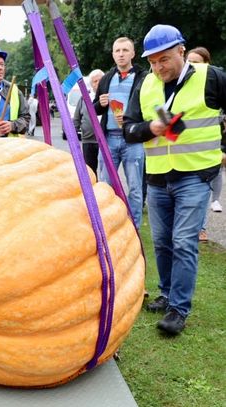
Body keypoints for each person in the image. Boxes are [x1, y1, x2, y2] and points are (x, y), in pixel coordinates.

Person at [124, 25, 226, 335]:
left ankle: (178, 310)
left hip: (195, 176)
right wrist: (148, 129)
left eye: (164, 59)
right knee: (162, 242)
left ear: (181, 50)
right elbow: (129, 129)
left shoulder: (212, 76)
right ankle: (166, 293)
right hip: (157, 179)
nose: (158, 68)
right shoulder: (144, 84)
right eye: (153, 61)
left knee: (183, 242)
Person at [94, 37, 147, 228]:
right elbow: (94, 110)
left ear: (133, 53)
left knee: (135, 188)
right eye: (117, 51)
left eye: (125, 50)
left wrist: (131, 116)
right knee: (105, 187)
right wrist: (100, 104)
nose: (121, 54)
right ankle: (107, 226)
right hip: (109, 139)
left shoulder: (144, 77)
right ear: (113, 54)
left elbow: (149, 107)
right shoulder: (107, 78)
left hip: (133, 140)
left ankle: (134, 228)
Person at [185, 47, 224, 242]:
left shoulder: (214, 84)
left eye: (197, 62)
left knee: (203, 192)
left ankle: (202, 227)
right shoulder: (178, 86)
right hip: (184, 152)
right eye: (189, 61)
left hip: (207, 152)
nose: (192, 66)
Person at [0, 46, 30, 138]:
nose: (0, 68)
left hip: (9, 147)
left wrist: (12, 125)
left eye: (2, 64)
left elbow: (26, 118)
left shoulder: (13, 90)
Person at [73, 69, 105, 176]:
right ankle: (93, 192)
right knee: (90, 171)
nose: (98, 83)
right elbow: (77, 119)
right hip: (88, 141)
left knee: (105, 171)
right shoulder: (84, 99)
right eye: (95, 81)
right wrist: (73, 135)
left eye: (100, 80)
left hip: (105, 140)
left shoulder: (109, 97)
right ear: (91, 84)